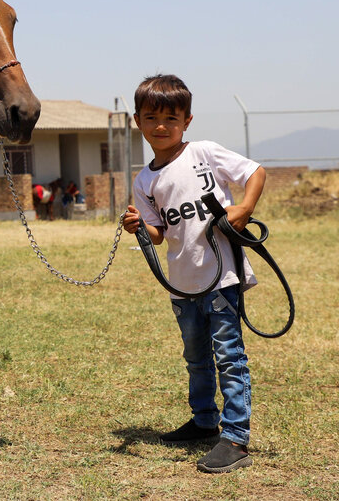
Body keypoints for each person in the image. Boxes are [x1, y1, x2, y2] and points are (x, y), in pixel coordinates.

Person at [121, 74, 266, 474]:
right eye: (152, 117)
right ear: (138, 121)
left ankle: (235, 437)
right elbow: (158, 231)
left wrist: (244, 208)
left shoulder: (202, 152)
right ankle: (204, 422)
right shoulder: (144, 180)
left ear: (187, 120)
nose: (161, 125)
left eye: (172, 117)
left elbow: (254, 172)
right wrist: (139, 227)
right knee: (196, 359)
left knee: (228, 358)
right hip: (182, 283)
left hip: (221, 279)